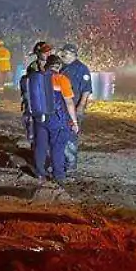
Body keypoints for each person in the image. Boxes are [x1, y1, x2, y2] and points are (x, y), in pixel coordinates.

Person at [25, 54, 79, 185]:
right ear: (59, 66)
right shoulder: (61, 79)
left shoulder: (36, 78)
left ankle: (39, 173)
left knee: (41, 146)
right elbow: (69, 102)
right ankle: (58, 176)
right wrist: (75, 122)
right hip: (57, 118)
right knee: (57, 147)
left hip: (39, 117)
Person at [58, 43, 92, 172]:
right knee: (60, 135)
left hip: (74, 106)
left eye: (65, 53)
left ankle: (70, 165)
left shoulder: (81, 69)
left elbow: (86, 89)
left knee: (71, 136)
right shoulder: (61, 67)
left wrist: (81, 106)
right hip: (60, 107)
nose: (62, 55)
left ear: (73, 54)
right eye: (62, 53)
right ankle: (60, 162)